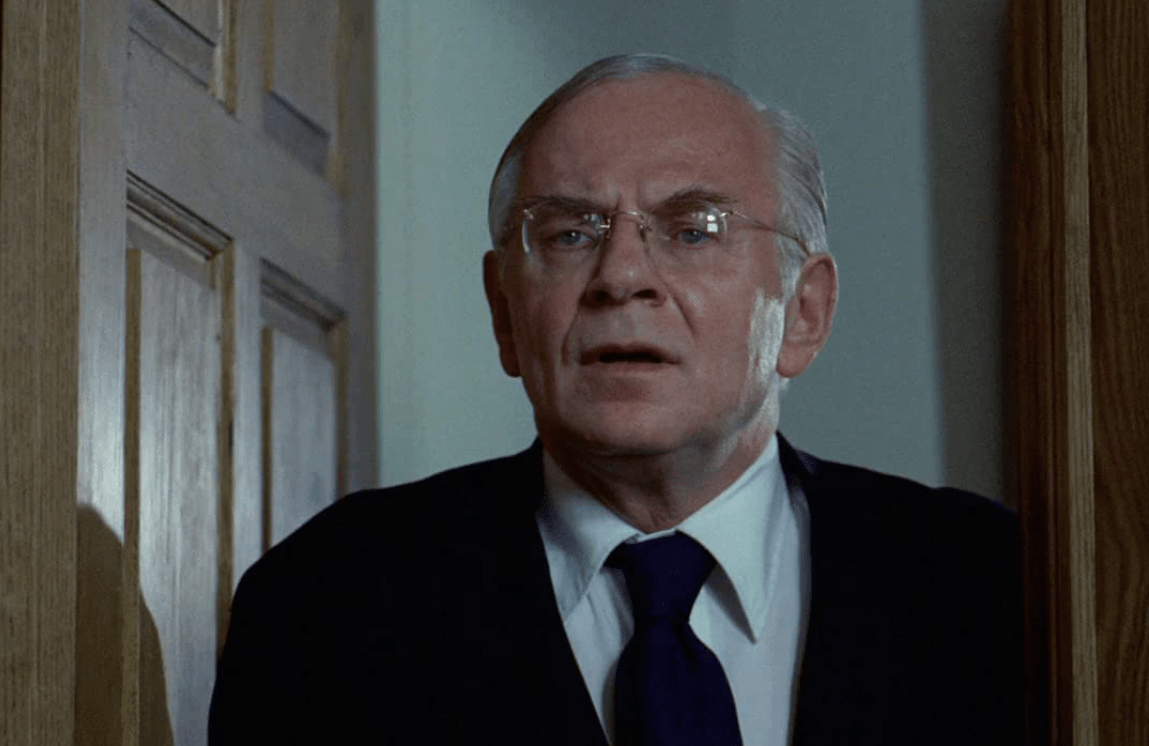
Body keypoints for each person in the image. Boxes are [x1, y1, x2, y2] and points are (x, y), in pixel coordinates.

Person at [209, 54, 1021, 745]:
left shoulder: (995, 584)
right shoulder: (327, 601)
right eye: (570, 234)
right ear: (503, 314)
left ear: (802, 313)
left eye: (693, 229)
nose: (621, 276)